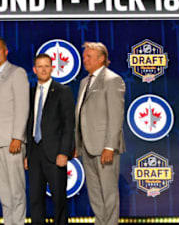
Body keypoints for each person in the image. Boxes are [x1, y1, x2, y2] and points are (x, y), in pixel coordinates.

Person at [75, 42, 125, 225]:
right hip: (87, 148)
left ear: (101, 58)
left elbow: (115, 116)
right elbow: (82, 115)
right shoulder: (84, 82)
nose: (84, 59)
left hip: (104, 148)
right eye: (84, 56)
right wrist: (78, 144)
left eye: (89, 56)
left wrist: (109, 146)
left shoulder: (113, 80)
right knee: (95, 193)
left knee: (108, 193)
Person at [0, 36, 29, 225]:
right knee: (3, 189)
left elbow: (22, 107)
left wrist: (17, 137)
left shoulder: (17, 73)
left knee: (16, 190)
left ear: (6, 51)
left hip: (12, 141)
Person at [24, 54, 75, 225]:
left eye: (47, 66)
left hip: (55, 153)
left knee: (59, 199)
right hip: (34, 153)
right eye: (40, 66)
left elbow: (69, 125)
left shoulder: (63, 91)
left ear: (52, 68)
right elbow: (29, 123)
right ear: (34, 69)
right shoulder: (30, 93)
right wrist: (27, 154)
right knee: (35, 199)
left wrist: (64, 152)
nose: (43, 69)